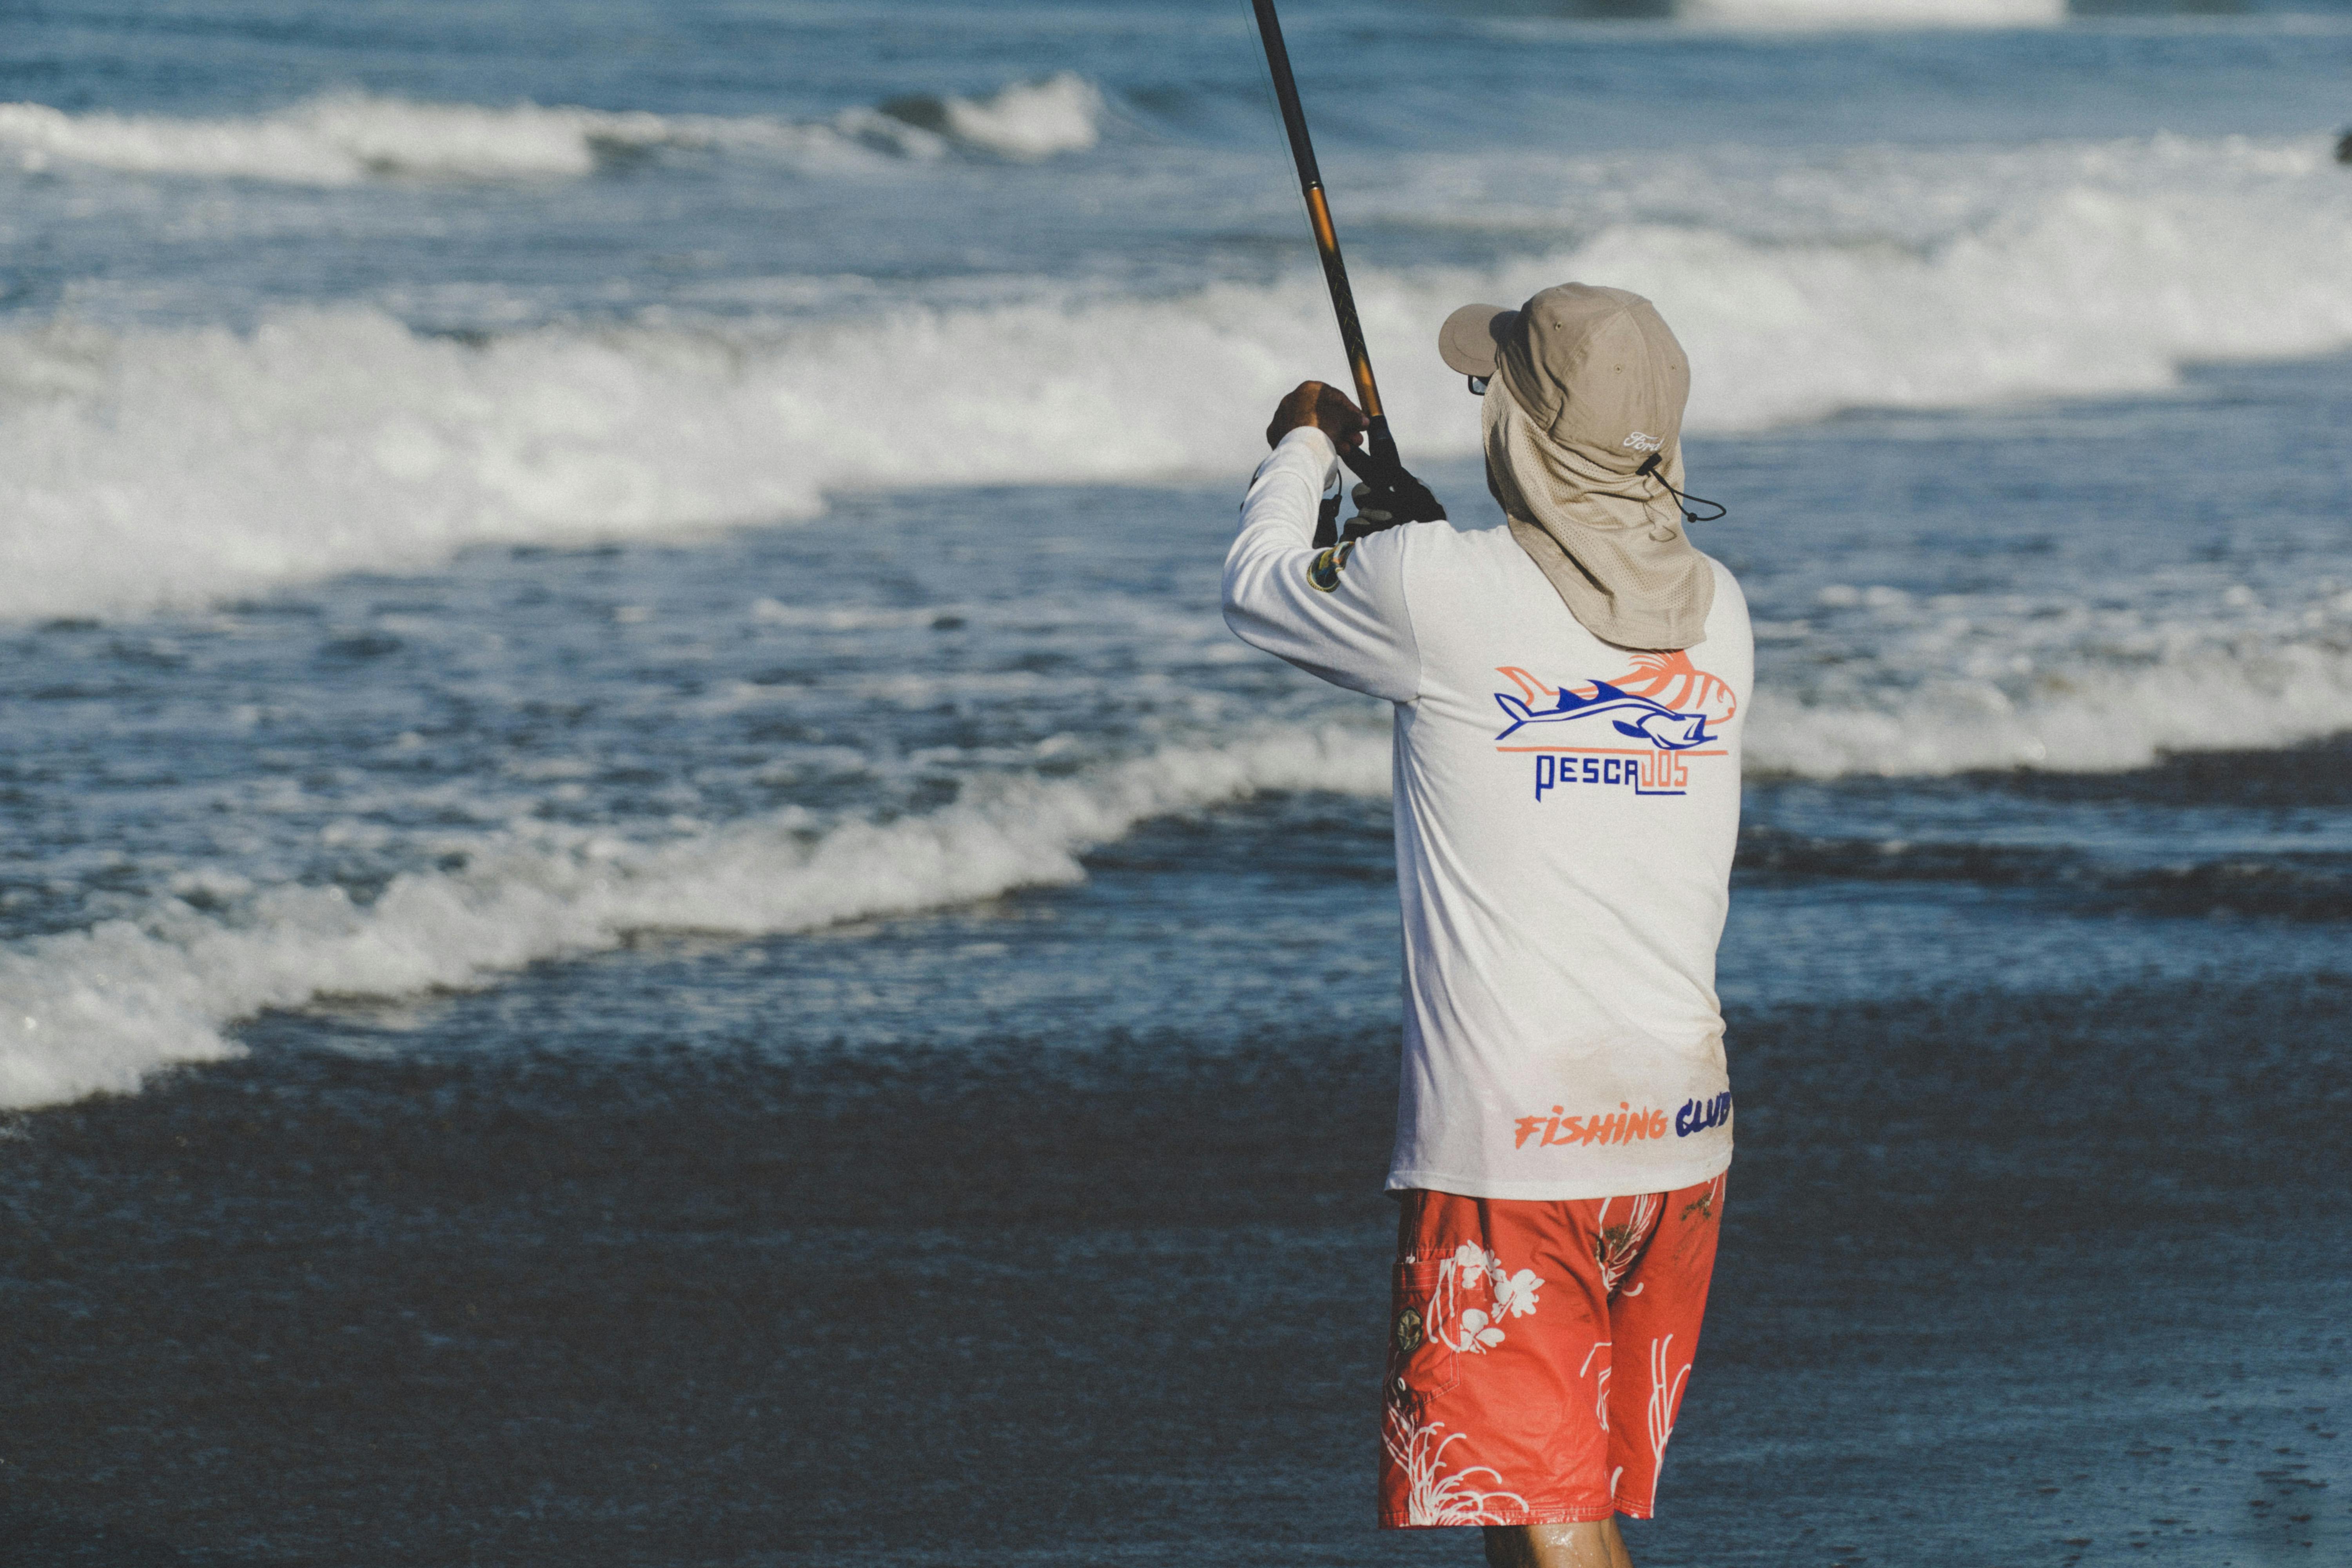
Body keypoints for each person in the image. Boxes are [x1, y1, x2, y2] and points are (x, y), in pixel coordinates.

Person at [1222, 283, 1751, 1568]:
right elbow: (1549, 631)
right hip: (1675, 1140)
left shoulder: (1432, 589)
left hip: (1518, 1145)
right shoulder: (1719, 606)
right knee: (1569, 1489)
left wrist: (1301, 440)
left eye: (1493, 391)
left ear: (1523, 420)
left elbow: (1258, 589)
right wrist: (1436, 546)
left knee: (1544, 1513)